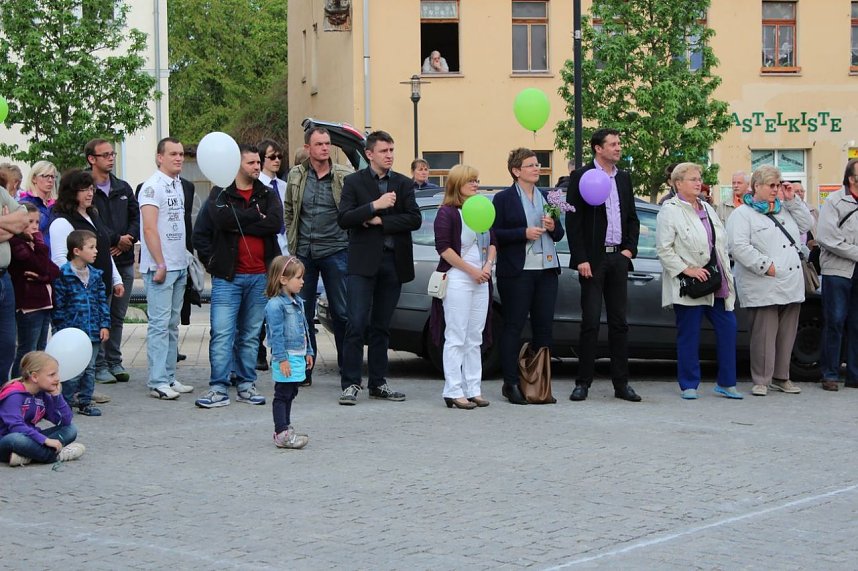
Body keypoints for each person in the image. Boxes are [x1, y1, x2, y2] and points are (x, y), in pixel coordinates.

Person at [193, 144, 282, 409]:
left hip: (260, 277)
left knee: (251, 334)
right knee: (222, 333)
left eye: (258, 162)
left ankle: (246, 384)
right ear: (236, 165)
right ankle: (218, 387)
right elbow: (210, 229)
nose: (257, 167)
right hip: (228, 278)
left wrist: (239, 220)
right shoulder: (220, 194)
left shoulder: (266, 194)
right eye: (252, 163)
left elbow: (274, 223)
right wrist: (213, 263)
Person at [336, 130, 421, 405]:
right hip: (363, 263)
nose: (389, 156)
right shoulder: (354, 182)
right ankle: (350, 383)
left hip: (393, 263)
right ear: (369, 154)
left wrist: (381, 222)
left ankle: (378, 382)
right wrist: (374, 206)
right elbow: (345, 218)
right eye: (384, 151)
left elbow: (414, 219)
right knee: (356, 323)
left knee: (382, 326)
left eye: (392, 150)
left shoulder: (404, 184)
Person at [566, 128, 642, 402]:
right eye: (613, 144)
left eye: (619, 143)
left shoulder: (623, 179)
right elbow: (573, 222)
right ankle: (582, 382)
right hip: (593, 261)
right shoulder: (582, 177)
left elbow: (632, 217)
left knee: (620, 323)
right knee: (590, 322)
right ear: (598, 148)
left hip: (618, 259)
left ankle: (621, 384)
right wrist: (582, 258)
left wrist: (629, 250)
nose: (618, 148)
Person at [656, 163, 741, 399]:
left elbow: (719, 244)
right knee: (689, 333)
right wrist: (688, 270)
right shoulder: (670, 210)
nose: (698, 182)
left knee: (728, 327)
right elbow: (664, 250)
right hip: (690, 284)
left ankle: (726, 382)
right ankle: (689, 384)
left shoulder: (706, 207)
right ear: (678, 183)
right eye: (692, 178)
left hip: (716, 280)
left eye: (699, 178)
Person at [727, 165, 812, 397]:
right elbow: (739, 247)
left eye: (778, 185)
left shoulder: (784, 210)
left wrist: (792, 198)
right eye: (771, 185)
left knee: (787, 334)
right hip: (763, 282)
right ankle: (761, 379)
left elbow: (807, 225)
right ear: (756, 186)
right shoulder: (742, 214)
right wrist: (766, 266)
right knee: (763, 334)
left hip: (791, 282)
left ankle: (782, 376)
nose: (775, 190)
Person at [492, 148, 564, 405]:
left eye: (538, 164)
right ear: (516, 171)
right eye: (531, 165)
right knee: (514, 325)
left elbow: (559, 235)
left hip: (546, 271)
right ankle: (510, 383)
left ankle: (540, 384)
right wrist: (522, 233)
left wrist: (554, 227)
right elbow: (495, 234)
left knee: (544, 327)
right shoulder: (503, 198)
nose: (537, 168)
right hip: (518, 271)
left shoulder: (549, 197)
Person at [284, 127, 352, 388]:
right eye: (319, 144)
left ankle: (348, 371)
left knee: (341, 312)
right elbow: (289, 210)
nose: (325, 148)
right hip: (305, 253)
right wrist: (294, 243)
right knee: (302, 312)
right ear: (308, 148)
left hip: (337, 250)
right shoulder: (297, 175)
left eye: (327, 144)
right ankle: (304, 370)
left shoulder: (344, 175)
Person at [431, 164, 496, 409]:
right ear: (458, 184)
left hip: (481, 278)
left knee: (475, 336)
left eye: (477, 180)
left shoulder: (482, 209)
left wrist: (487, 267)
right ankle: (453, 389)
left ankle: (473, 388)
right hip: (458, 277)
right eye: (471, 181)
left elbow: (493, 240)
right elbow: (444, 249)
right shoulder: (447, 213)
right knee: (456, 335)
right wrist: (472, 271)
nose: (476, 185)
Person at [139, 137, 194, 400]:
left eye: (181, 154)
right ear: (159, 157)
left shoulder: (178, 185)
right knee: (159, 325)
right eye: (173, 153)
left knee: (172, 324)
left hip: (178, 263)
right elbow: (150, 228)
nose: (179, 158)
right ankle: (157, 380)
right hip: (160, 266)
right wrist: (160, 263)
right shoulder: (151, 187)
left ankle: (169, 376)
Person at [85, 139, 139, 384]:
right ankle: (98, 365)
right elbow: (91, 222)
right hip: (99, 263)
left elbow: (136, 217)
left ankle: (114, 360)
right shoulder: (85, 188)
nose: (111, 158)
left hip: (125, 260)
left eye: (112, 153)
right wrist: (116, 239)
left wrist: (129, 238)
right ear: (91, 159)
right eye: (105, 154)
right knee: (99, 315)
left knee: (118, 315)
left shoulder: (123, 188)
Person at [53, 230, 110, 416]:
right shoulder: (64, 274)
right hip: (72, 332)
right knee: (73, 370)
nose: (96, 251)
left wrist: (104, 324)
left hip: (93, 329)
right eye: (91, 247)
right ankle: (66, 403)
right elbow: (59, 305)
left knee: (90, 367)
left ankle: (86, 401)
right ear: (77, 251)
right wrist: (61, 330)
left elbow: (102, 301)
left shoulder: (95, 275)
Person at [48, 170, 123, 304]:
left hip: (101, 288)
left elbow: (104, 249)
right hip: (79, 295)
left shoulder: (93, 216)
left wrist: (116, 279)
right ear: (71, 192)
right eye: (84, 190)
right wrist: (78, 288)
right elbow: (59, 260)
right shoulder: (62, 222)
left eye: (91, 189)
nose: (90, 194)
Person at [0, 351, 86, 466]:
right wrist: (45, 440)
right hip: (7, 440)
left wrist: (57, 396)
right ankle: (56, 456)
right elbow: (16, 427)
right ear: (34, 376)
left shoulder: (42, 394)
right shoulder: (14, 395)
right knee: (17, 439)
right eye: (52, 375)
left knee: (71, 429)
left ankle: (27, 456)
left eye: (57, 374)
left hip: (30, 439)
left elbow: (64, 421)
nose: (57, 379)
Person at [816, 159, 858, 392]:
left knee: (857, 323)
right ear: (851, 178)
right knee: (835, 321)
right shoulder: (834, 201)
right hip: (837, 271)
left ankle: (854, 374)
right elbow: (827, 237)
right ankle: (829, 373)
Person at [264, 255, 312, 449]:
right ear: (283, 279)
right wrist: (281, 358)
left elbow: (305, 328)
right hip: (286, 356)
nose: (302, 282)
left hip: (297, 353)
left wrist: (308, 350)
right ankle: (281, 431)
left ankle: (286, 427)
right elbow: (276, 335)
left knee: (291, 391)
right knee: (282, 393)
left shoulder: (297, 301)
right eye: (298, 278)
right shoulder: (275, 305)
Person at [8, 203, 59, 378]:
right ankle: (17, 387)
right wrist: (39, 241)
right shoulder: (18, 244)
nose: (35, 226)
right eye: (30, 221)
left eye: (37, 222)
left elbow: (53, 270)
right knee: (27, 351)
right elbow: (38, 265)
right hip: (29, 306)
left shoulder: (33, 245)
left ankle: (36, 388)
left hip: (44, 304)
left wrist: (41, 278)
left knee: (40, 350)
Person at [0, 185, 29, 382]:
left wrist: (11, 224)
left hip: (4, 278)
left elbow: (23, 221)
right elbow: (15, 225)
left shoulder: (0, 192)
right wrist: (9, 224)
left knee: (7, 345)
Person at [18, 160, 57, 246]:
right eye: (45, 176)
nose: (50, 180)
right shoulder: (25, 203)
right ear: (34, 179)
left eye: (52, 176)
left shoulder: (57, 205)